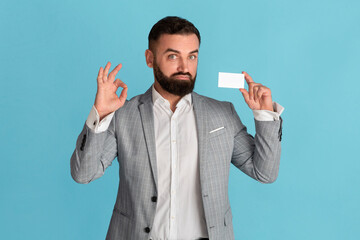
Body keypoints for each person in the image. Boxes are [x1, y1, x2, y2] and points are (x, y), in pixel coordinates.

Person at [71, 16, 284, 240]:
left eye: (192, 56)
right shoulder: (124, 115)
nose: (185, 67)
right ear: (150, 59)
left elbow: (265, 173)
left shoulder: (223, 114)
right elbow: (83, 174)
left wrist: (265, 116)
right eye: (173, 56)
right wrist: (101, 113)